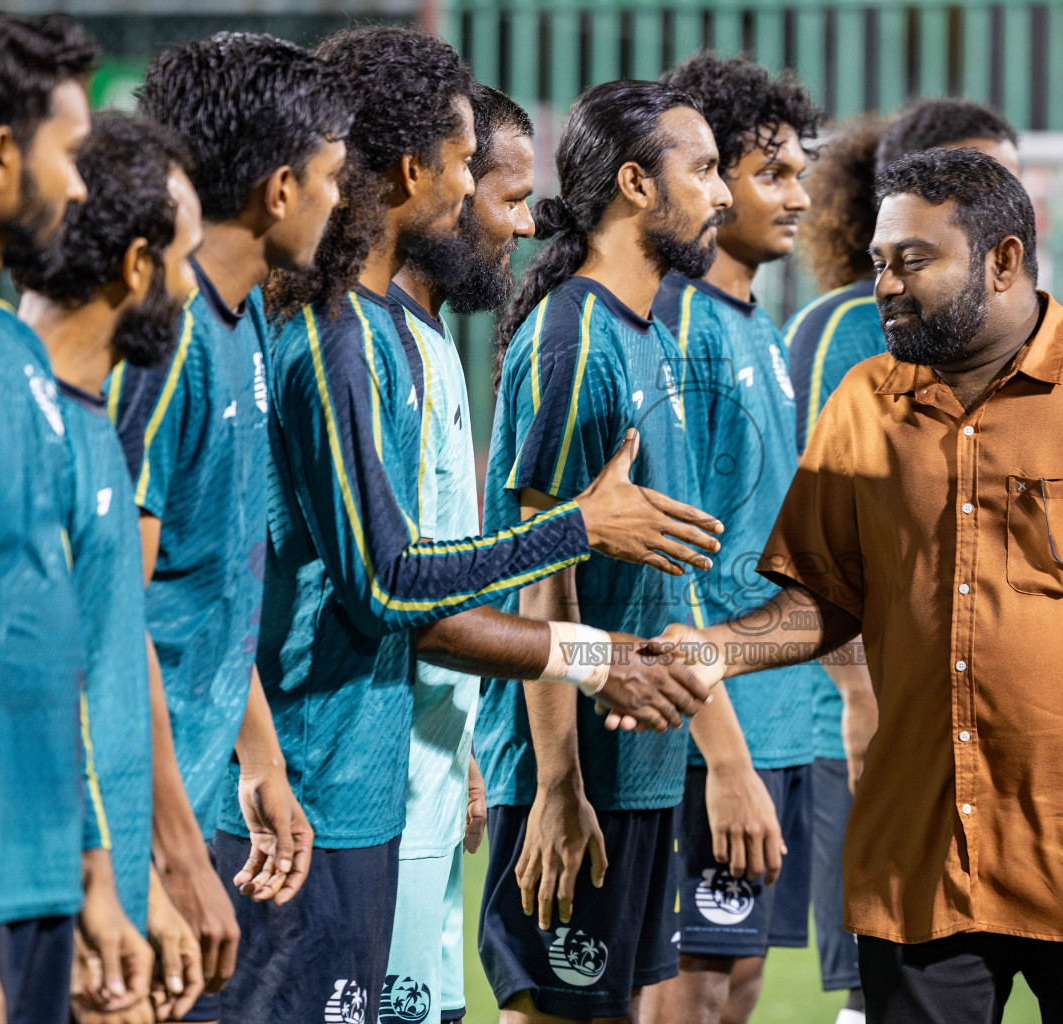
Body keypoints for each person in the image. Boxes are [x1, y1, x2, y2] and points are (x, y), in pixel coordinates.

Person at [648, 148, 1063, 1024]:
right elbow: (825, 599)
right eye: (879, 262)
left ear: (1004, 260)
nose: (887, 286)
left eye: (913, 260)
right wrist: (717, 650)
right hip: (922, 860)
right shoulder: (863, 404)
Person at [247, 31, 722, 1022]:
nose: (488, 202)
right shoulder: (332, 334)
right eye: (470, 170)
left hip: (382, 780)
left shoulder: (393, 336)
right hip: (313, 789)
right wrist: (582, 578)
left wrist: (459, 727)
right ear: (411, 171)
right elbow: (390, 583)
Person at [477, 80, 732, 1023]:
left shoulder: (646, 334)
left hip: (637, 774)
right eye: (703, 169)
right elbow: (541, 576)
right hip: (573, 774)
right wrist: (556, 787)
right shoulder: (575, 338)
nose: (722, 193)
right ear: (635, 183)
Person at [112, 33, 354, 1021]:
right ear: (279, 189)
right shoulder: (160, 337)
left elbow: (218, 576)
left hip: (181, 793)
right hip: (119, 818)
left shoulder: (243, 315)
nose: (343, 200)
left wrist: (260, 755)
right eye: (333, 176)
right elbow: (109, 616)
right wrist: (171, 847)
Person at [781, 98, 1021, 1024]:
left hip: (974, 732)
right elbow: (827, 546)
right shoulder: (846, 331)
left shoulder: (1018, 339)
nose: (1000, 196)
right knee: (878, 992)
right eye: (974, 174)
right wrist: (857, 699)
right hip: (868, 723)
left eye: (1009, 178)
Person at [0, 8, 147, 1023]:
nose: (77, 187)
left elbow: (44, 627)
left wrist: (93, 869)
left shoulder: (17, 355)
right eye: (66, 155)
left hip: (39, 882)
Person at [14, 111, 211, 1023]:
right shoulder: (20, 425)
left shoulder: (90, 420)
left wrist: (140, 887)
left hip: (99, 900)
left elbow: (107, 664)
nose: (191, 287)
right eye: (185, 261)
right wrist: (88, 898)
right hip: (33, 907)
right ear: (138, 267)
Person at [643, 53, 826, 1024]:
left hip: (776, 722)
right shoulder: (681, 326)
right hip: (710, 737)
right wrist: (723, 758)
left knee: (737, 986)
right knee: (690, 992)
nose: (797, 196)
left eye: (799, 172)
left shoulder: (759, 327)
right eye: (771, 174)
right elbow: (665, 572)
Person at [379, 83, 538, 1024]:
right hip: (377, 796)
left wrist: (464, 738)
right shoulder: (380, 346)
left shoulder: (433, 336)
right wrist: (597, 657)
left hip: (434, 782)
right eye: (508, 198)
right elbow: (407, 593)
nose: (522, 226)